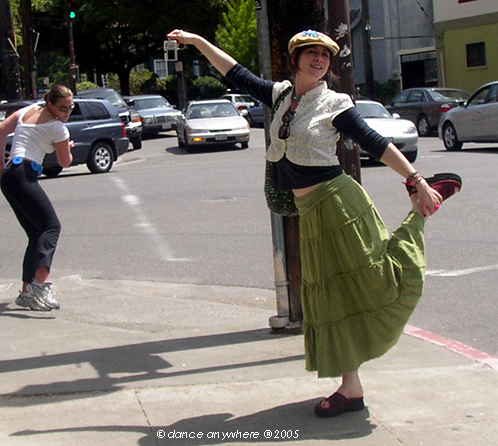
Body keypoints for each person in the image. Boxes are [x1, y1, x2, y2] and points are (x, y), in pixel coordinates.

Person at [166, 29, 462, 417]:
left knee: (371, 279)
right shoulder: (280, 96)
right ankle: (350, 388)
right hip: (310, 212)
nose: (319, 60)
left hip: (339, 204)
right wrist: (197, 41)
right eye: (311, 53)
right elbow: (234, 72)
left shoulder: (335, 103)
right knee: (328, 297)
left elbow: (374, 141)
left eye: (325, 55)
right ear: (296, 59)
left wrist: (416, 178)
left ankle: (421, 206)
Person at [0, 85, 75, 312]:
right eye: (62, 108)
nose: (67, 113)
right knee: (51, 227)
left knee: (36, 233)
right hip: (24, 176)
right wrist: (67, 147)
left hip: (11, 176)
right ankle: (41, 286)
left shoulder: (28, 110)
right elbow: (65, 162)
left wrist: (2, 166)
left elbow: (0, 131)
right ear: (50, 103)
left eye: (71, 108)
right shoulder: (58, 128)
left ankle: (26, 292)